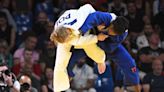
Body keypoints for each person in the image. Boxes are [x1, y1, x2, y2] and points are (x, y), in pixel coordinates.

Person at [66, 5, 140, 92]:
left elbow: (110, 48)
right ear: (112, 23)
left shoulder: (122, 35)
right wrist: (82, 31)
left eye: (112, 33)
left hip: (107, 47)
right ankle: (68, 75)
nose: (109, 31)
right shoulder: (106, 17)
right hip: (91, 43)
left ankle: (132, 86)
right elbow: (92, 17)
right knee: (71, 57)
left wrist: (102, 34)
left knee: (130, 63)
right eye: (110, 29)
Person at [50, 4, 109, 91]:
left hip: (80, 28)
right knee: (59, 63)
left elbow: (88, 7)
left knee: (89, 45)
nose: (68, 42)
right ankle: (59, 89)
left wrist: (97, 32)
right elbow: (62, 38)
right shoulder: (57, 31)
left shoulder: (79, 20)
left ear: (69, 32)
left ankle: (100, 60)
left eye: (68, 40)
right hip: (66, 31)